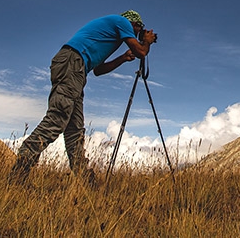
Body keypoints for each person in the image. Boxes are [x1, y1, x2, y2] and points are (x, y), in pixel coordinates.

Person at [9, 10, 157, 183]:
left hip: (77, 68)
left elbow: (98, 71)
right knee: (58, 117)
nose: (138, 34)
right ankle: (20, 170)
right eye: (139, 30)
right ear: (134, 23)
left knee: (75, 129)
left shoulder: (110, 35)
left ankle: (85, 180)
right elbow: (141, 51)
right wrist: (146, 42)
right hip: (73, 63)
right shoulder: (122, 21)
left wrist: (123, 58)